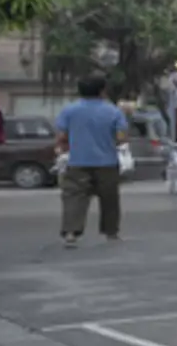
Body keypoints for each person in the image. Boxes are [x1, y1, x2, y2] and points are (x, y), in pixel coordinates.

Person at [54, 75, 129, 248]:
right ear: (102, 91)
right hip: (107, 163)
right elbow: (121, 138)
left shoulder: (69, 110)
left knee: (74, 197)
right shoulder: (113, 111)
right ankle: (111, 232)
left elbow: (62, 137)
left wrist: (63, 149)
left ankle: (71, 233)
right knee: (109, 199)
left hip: (77, 162)